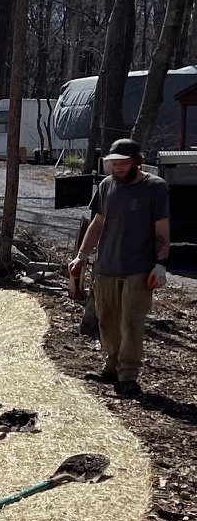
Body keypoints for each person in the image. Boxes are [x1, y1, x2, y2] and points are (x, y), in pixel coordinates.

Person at [69, 137, 170, 399]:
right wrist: (81, 255)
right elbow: (98, 224)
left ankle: (128, 376)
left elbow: (162, 231)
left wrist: (160, 265)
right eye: (114, 163)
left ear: (137, 161)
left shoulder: (155, 187)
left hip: (139, 269)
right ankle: (111, 367)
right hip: (105, 267)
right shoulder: (106, 186)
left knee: (131, 324)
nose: (118, 168)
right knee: (108, 322)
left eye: (124, 163)